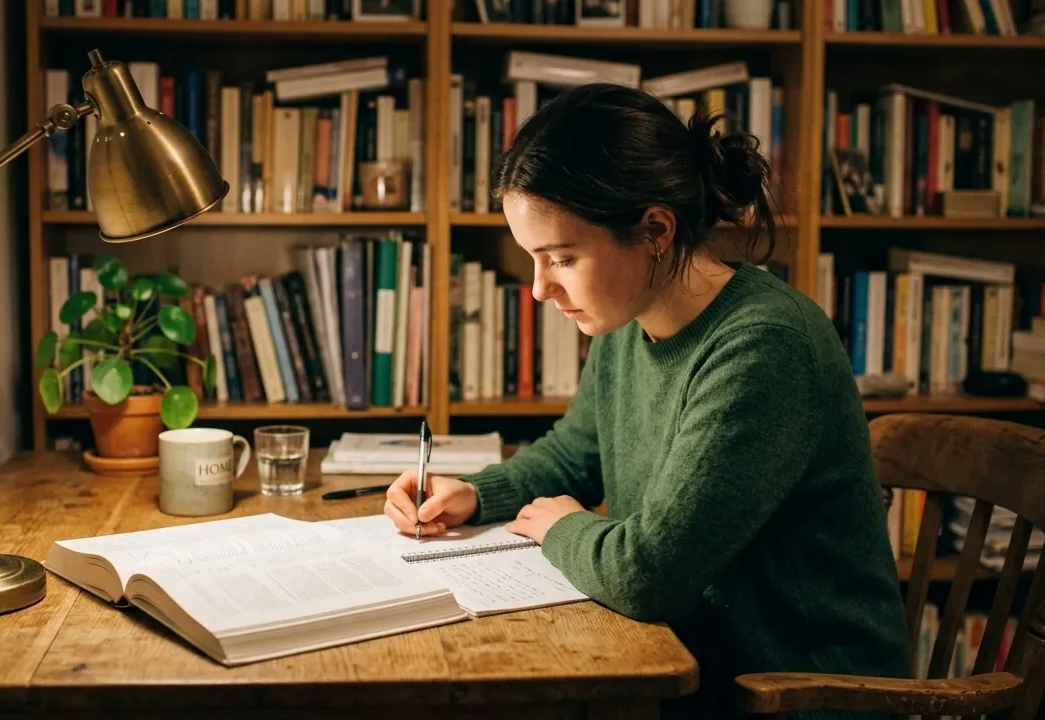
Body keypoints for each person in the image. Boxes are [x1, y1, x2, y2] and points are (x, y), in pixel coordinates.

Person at [382, 82, 910, 718]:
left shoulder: (764, 347)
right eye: (533, 259)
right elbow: (575, 454)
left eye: (562, 258)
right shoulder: (629, 318)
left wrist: (561, 528)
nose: (539, 290)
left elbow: (648, 575)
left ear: (655, 229)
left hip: (798, 694)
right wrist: (474, 493)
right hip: (687, 666)